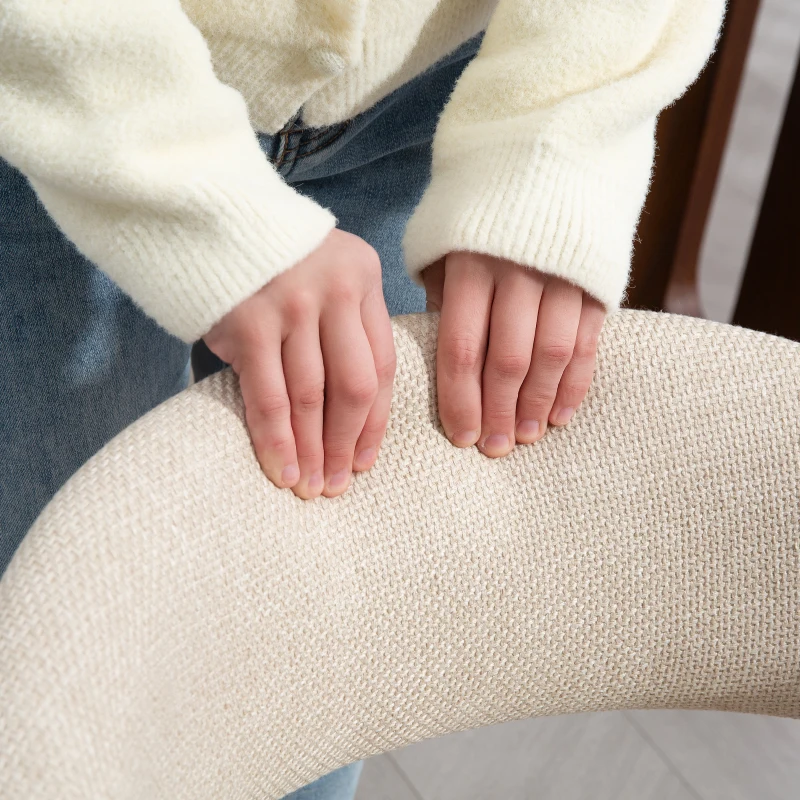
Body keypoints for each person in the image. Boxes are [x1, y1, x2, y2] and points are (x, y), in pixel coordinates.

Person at [0, 1, 725, 797]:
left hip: (424, 92)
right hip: (55, 80)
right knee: (68, 667)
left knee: (324, 664)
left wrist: (556, 141)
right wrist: (191, 190)